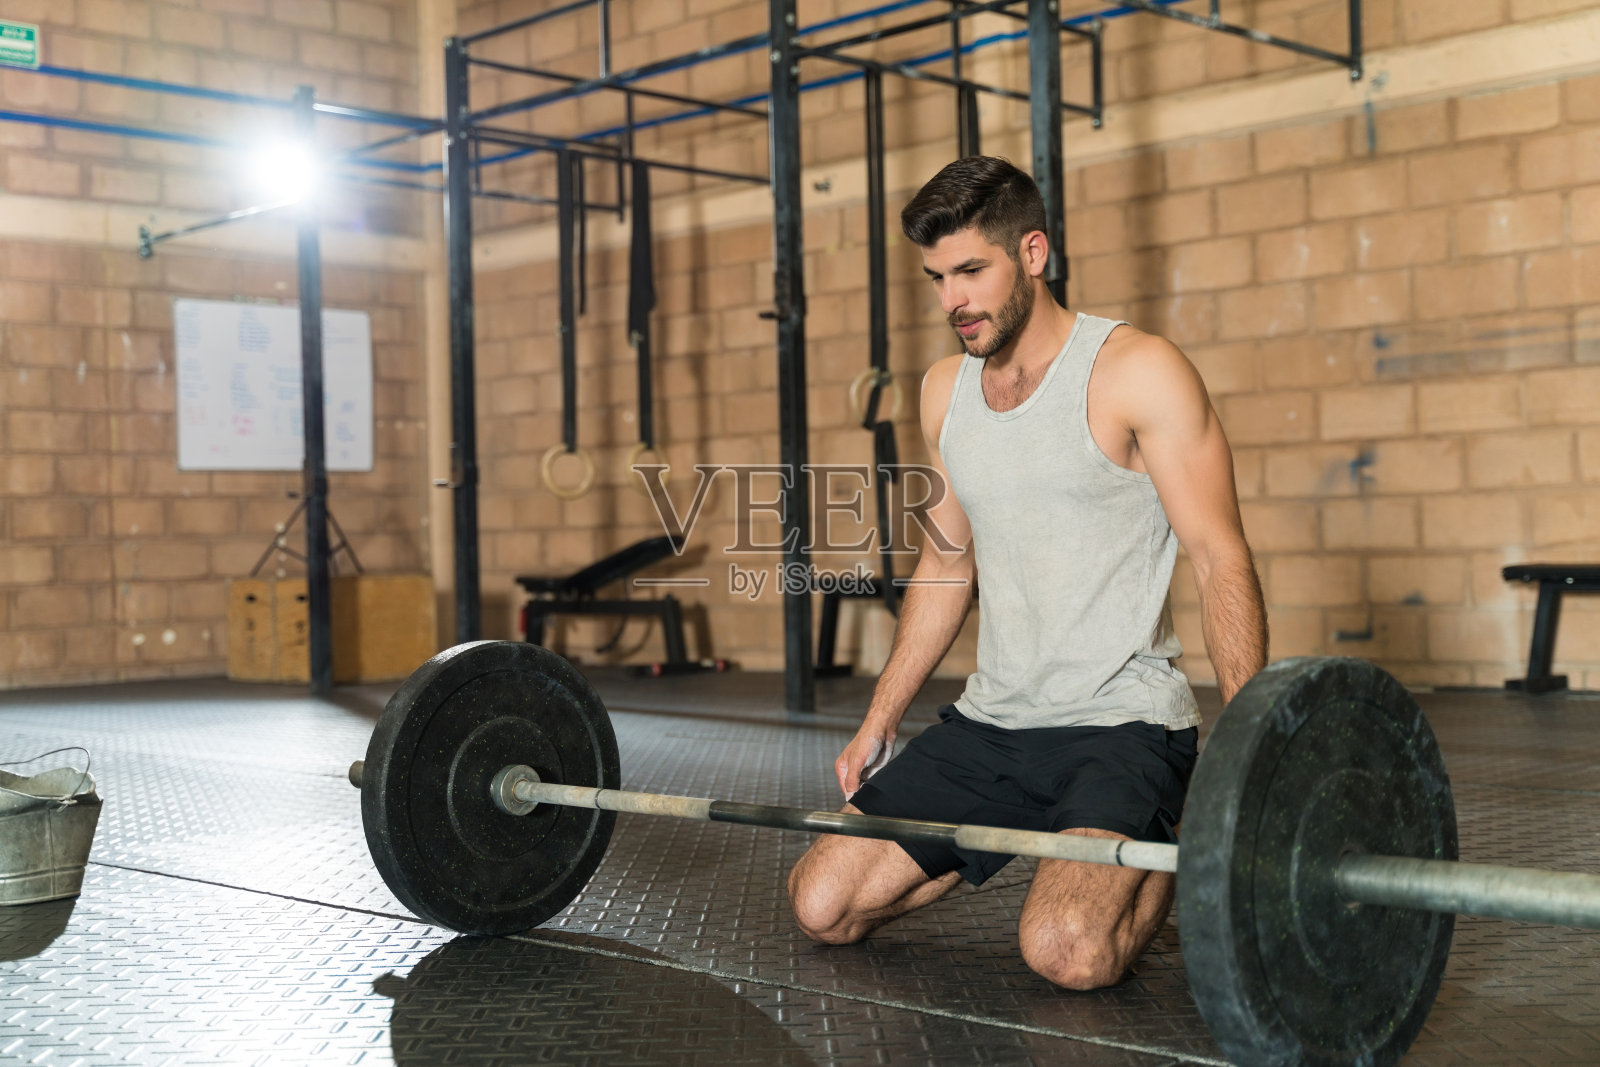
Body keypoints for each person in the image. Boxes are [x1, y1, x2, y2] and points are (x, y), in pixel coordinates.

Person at [786, 156, 1269, 990]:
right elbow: (946, 561)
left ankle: (1170, 841)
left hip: (1121, 726)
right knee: (822, 905)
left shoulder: (1137, 370)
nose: (953, 301)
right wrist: (879, 718)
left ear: (1034, 252)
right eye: (938, 277)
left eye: (972, 270)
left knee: (1067, 950)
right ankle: (1030, 833)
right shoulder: (945, 392)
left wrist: (1260, 752)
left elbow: (1219, 553)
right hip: (993, 722)